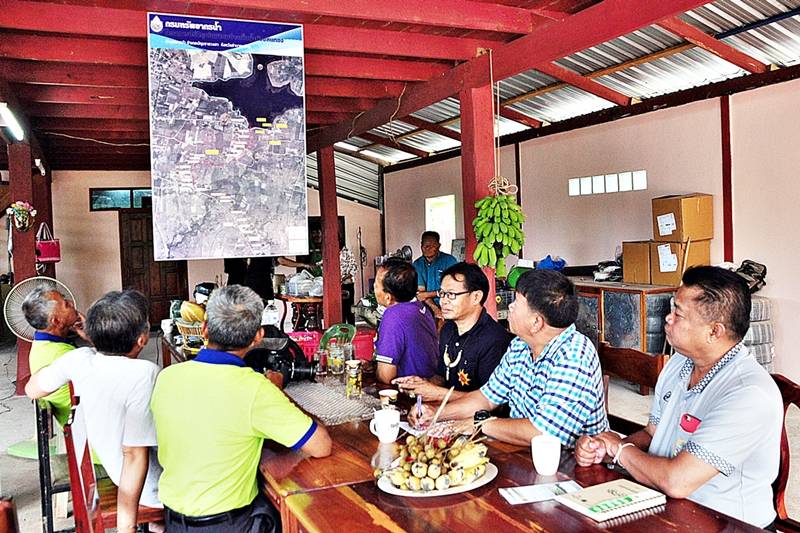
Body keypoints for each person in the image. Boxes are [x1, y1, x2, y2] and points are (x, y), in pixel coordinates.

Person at [574, 266, 782, 529]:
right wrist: (605, 449)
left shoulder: (748, 393)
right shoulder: (679, 363)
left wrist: (620, 451)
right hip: (664, 504)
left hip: (727, 523)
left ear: (714, 331)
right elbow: (653, 434)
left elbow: (677, 481)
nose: (668, 318)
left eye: (678, 313)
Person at [150, 285, 331, 532]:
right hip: (231, 525)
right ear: (258, 337)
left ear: (204, 329)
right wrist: (276, 392)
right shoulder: (255, 389)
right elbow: (321, 446)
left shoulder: (167, 378)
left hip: (174, 523)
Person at [410, 269, 608, 447]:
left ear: (536, 322)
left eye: (516, 303)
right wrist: (436, 414)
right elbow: (486, 398)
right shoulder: (520, 345)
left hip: (572, 464)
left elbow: (543, 433)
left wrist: (479, 424)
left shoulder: (574, 355)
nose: (510, 307)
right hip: (521, 453)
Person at [25, 290, 162, 531]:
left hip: (111, 465)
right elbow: (134, 455)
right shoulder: (145, 373)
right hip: (149, 487)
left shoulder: (77, 359)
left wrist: (95, 345)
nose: (72, 304)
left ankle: (158, 526)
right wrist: (126, 527)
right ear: (142, 339)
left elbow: (31, 389)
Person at [392, 262, 513, 402]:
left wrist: (437, 393)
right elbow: (442, 377)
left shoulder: (494, 340)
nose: (443, 301)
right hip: (446, 410)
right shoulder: (448, 329)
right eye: (442, 294)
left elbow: (491, 402)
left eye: (451, 294)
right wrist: (422, 384)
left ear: (476, 297)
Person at [22, 286, 88, 426]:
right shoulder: (64, 354)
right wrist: (93, 336)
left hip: (72, 421)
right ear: (56, 321)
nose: (72, 303)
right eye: (66, 304)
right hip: (82, 426)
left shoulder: (41, 345)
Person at [374, 258, 438, 384]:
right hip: (430, 382)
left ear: (388, 298)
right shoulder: (422, 307)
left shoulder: (393, 315)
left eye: (376, 286)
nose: (374, 288)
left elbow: (386, 376)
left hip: (410, 390)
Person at [413, 231, 457, 317]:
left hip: (449, 302)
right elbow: (421, 294)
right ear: (421, 246)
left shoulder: (450, 261)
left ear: (438, 246)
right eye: (425, 246)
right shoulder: (417, 264)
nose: (428, 249)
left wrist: (435, 294)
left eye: (432, 246)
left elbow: (453, 289)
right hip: (428, 305)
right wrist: (435, 308)